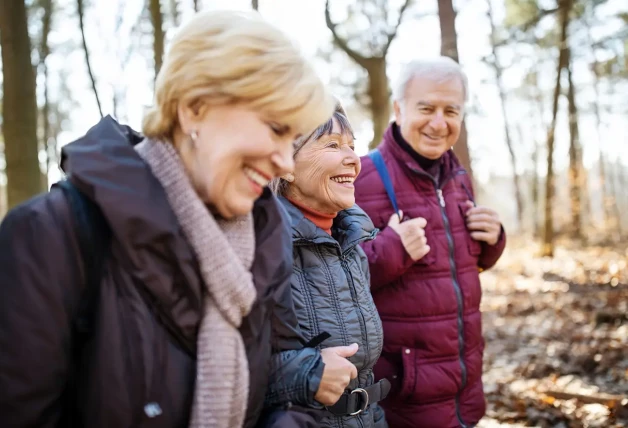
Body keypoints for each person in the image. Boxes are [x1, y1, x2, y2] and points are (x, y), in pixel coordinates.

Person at [0, 10, 338, 428]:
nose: (286, 162)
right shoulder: (50, 235)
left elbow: (282, 392)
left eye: (293, 140)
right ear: (193, 108)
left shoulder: (266, 238)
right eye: (275, 128)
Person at [354, 57, 507, 428]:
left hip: (465, 393)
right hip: (403, 402)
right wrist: (392, 249)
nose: (439, 123)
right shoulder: (359, 179)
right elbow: (331, 283)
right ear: (397, 108)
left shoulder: (458, 178)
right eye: (427, 108)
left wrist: (492, 242)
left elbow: (453, 267)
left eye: (451, 110)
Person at [266, 103, 389, 428]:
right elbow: (220, 369)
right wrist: (305, 373)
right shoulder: (260, 243)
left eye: (352, 145)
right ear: (285, 164)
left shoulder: (351, 240)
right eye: (333, 145)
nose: (353, 158)